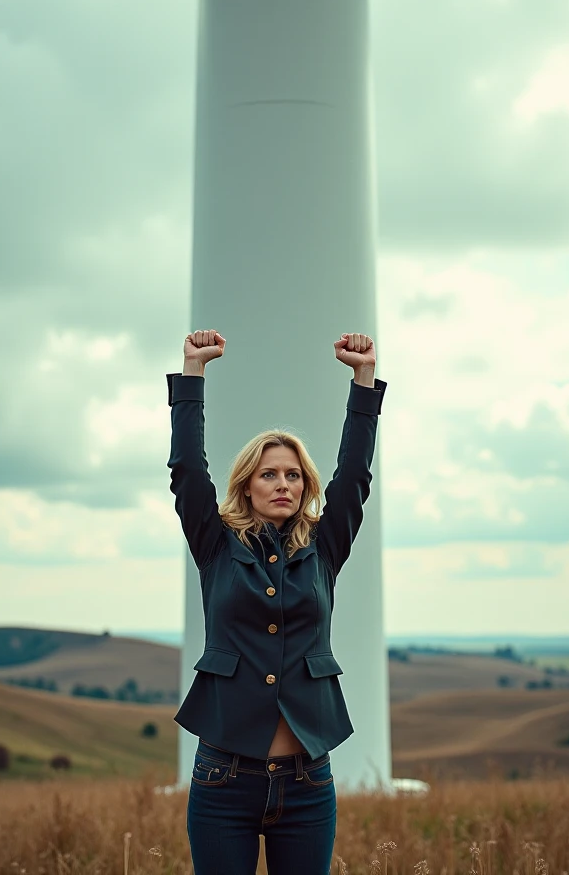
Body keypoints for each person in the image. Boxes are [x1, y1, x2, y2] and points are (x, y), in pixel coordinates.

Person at [166, 329, 387, 875]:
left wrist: (363, 380)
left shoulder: (324, 547)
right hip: (223, 779)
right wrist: (193, 373)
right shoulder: (215, 544)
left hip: (308, 782)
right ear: (247, 485)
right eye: (269, 474)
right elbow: (188, 470)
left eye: (293, 474)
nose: (283, 483)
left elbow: (355, 476)